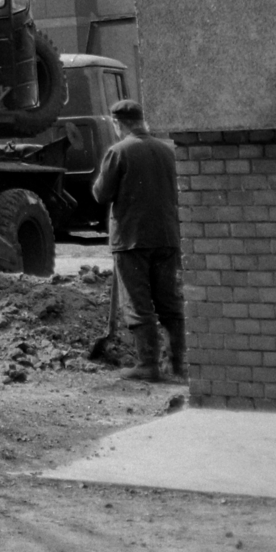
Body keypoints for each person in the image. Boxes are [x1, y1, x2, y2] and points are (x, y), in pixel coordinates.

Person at [91, 100, 184, 383]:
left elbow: (101, 194)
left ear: (119, 124)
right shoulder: (167, 151)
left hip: (132, 239)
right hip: (167, 237)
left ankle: (147, 364)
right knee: (169, 302)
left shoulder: (118, 151)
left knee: (138, 302)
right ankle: (178, 365)